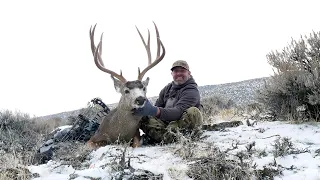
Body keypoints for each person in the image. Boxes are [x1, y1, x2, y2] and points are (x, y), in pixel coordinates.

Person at [132, 60, 203, 144]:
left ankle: (172, 139)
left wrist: (154, 110)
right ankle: (136, 139)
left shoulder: (192, 90)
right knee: (142, 115)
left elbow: (178, 111)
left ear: (189, 73)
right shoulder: (167, 89)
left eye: (182, 71)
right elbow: (157, 108)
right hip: (166, 124)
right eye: (176, 71)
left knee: (193, 111)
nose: (179, 73)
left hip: (180, 125)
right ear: (172, 74)